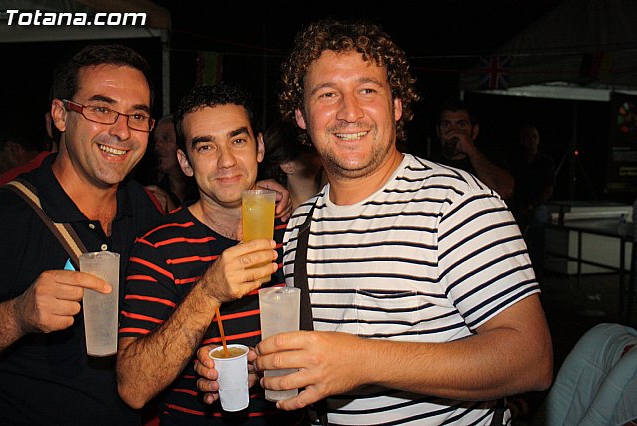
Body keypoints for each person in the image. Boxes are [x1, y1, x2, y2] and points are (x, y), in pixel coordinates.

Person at [196, 19, 553, 425]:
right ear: (301, 117)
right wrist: (262, 367)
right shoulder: (299, 227)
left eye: (367, 90)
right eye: (327, 94)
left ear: (396, 106)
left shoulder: (457, 203)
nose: (349, 112)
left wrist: (363, 361)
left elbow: (531, 361)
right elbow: (323, 359)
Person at [0, 45, 292, 425]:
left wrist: (261, 192)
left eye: (136, 116)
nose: (121, 131)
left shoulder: (144, 209)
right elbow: (137, 382)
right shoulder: (8, 214)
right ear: (60, 115)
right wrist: (17, 315)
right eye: (101, 109)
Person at [116, 83, 301, 425]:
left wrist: (261, 367)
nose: (226, 160)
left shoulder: (295, 232)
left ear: (259, 147)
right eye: (206, 147)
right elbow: (133, 388)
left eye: (238, 141)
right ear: (185, 163)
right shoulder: (158, 247)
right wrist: (208, 292)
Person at [434, 99, 515, 200]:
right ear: (438, 131)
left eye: (461, 125)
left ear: (474, 131)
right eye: (446, 125)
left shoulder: (491, 160)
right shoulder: (430, 164)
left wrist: (471, 150)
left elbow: (504, 191)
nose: (453, 132)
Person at [509, 124, 555, 276]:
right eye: (528, 137)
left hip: (538, 206)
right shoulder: (515, 162)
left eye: (534, 137)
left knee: (538, 222)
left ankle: (537, 267)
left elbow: (548, 190)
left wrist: (531, 206)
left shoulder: (546, 162)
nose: (531, 140)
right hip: (518, 205)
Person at [260, 121, 327, 207]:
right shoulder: (272, 212)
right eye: (308, 149)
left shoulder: (332, 202)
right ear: (287, 165)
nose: (318, 151)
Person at [144, 114, 198, 211]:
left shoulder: (204, 189)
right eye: (155, 140)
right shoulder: (152, 191)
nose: (157, 145)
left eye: (166, 138)